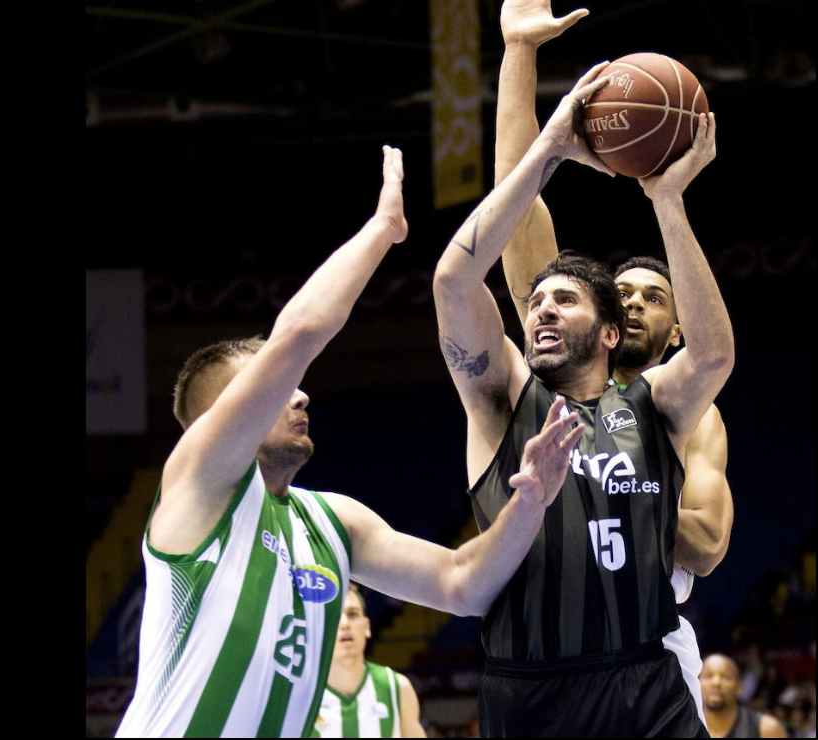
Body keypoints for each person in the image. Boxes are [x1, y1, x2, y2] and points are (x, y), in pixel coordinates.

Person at [116, 146, 586, 738]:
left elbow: (462, 583)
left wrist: (531, 500)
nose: (301, 396)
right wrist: (384, 229)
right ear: (221, 416)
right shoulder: (198, 486)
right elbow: (302, 332)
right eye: (278, 387)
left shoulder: (331, 521)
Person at [432, 30, 732, 740]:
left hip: (648, 651)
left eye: (650, 296)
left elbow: (709, 544)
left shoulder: (671, 408)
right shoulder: (517, 386)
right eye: (618, 292)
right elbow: (505, 226)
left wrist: (626, 501)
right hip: (537, 675)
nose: (630, 303)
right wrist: (518, 57)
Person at [315, 585, 426, 738]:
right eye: (336, 616)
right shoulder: (303, 691)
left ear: (366, 626)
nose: (345, 624)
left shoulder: (397, 687)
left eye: (352, 614)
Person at [700, 654, 788, 738]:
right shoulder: (687, 727)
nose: (716, 682)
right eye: (708, 676)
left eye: (725, 677)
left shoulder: (767, 729)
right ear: (697, 684)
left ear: (740, 688)